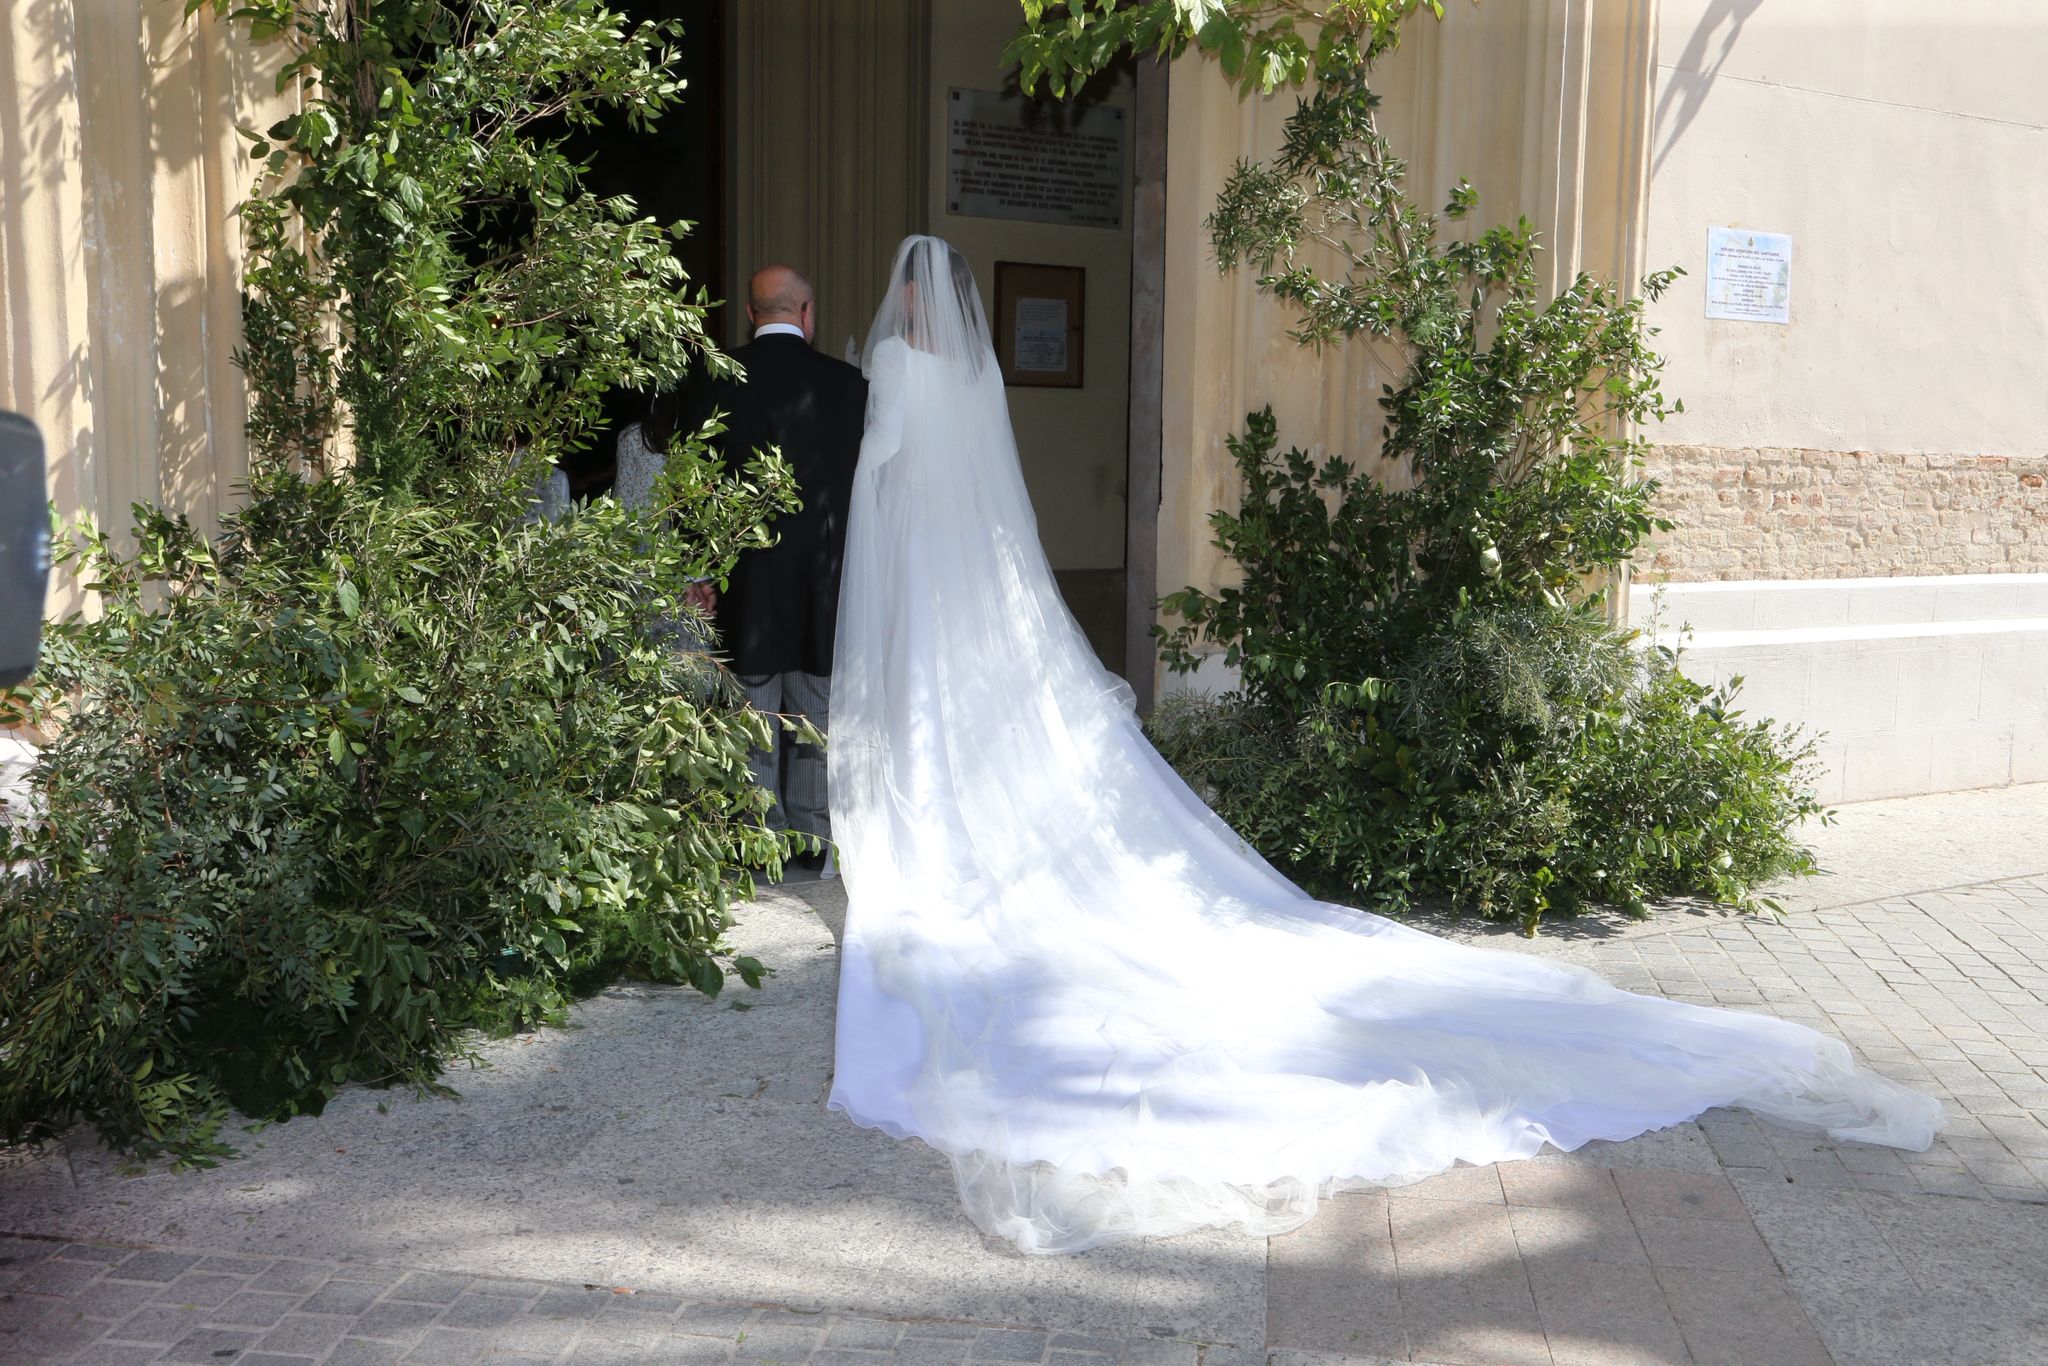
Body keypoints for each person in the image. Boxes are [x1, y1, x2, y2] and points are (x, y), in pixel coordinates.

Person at [824, 234, 1943, 1255]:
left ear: (908, 304)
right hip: (985, 592)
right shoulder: (974, 377)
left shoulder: (899, 374)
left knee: (933, 723)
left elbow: (879, 489)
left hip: (928, 592)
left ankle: (933, 830)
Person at [651, 266, 865, 877]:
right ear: (807, 311)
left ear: (749, 313)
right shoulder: (848, 386)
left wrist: (695, 570)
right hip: (822, 583)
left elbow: (689, 484)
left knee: (750, 713)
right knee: (815, 715)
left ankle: (755, 838)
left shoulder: (710, 383)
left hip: (741, 582)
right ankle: (811, 835)